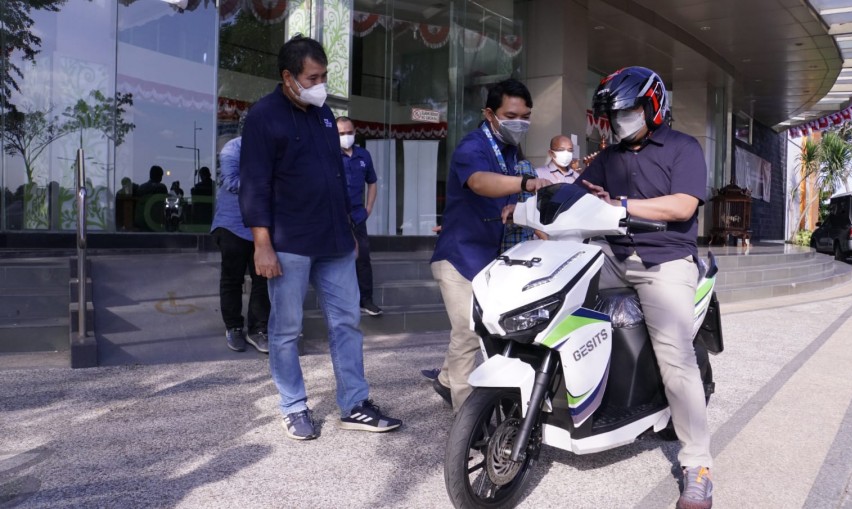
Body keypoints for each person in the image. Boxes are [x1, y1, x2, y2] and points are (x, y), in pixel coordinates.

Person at [239, 34, 401, 441]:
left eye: (324, 75)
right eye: (313, 77)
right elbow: (254, 183)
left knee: (347, 322)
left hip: (335, 241)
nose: (320, 83)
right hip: (289, 242)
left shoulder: (325, 114)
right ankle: (293, 405)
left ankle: (354, 404)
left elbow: (336, 176)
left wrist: (351, 227)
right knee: (286, 329)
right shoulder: (263, 116)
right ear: (288, 77)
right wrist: (262, 243)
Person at [575, 66, 713, 509]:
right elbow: (576, 195)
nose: (621, 121)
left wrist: (620, 203)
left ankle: (698, 465)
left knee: (676, 357)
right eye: (615, 115)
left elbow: (682, 205)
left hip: (664, 259)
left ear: (652, 106)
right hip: (611, 256)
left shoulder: (682, 148)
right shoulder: (606, 157)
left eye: (629, 111)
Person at [429, 78, 550, 411]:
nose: (519, 123)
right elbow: (480, 183)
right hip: (460, 257)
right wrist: (525, 182)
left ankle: (445, 379)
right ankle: (469, 425)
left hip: (493, 260)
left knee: (489, 330)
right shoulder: (473, 146)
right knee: (468, 335)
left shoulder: (510, 152)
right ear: (489, 114)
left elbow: (506, 202)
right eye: (511, 115)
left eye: (525, 116)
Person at [212, 136, 271, 354]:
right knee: (232, 279)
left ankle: (257, 330)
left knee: (262, 279)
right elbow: (231, 182)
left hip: (263, 227)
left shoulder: (272, 149)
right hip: (233, 225)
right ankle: (234, 327)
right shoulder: (232, 149)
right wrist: (268, 183)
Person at [336, 116, 382, 317]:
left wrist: (368, 208)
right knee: (337, 259)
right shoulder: (330, 155)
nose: (346, 136)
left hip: (357, 216)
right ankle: (341, 303)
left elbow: (372, 182)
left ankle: (366, 300)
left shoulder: (364, 155)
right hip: (335, 215)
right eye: (341, 133)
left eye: (349, 132)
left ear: (355, 132)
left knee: (362, 257)